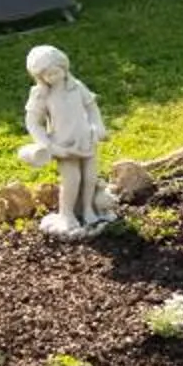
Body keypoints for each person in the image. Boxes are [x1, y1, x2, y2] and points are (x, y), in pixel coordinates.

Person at [18, 43, 113, 236]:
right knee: (72, 180)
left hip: (86, 139)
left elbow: (91, 106)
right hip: (64, 145)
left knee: (90, 178)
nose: (54, 77)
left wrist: (97, 126)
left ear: (64, 67)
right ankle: (67, 213)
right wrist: (48, 145)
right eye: (48, 75)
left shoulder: (76, 86)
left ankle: (88, 210)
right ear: (40, 77)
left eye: (56, 71)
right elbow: (33, 122)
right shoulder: (41, 94)